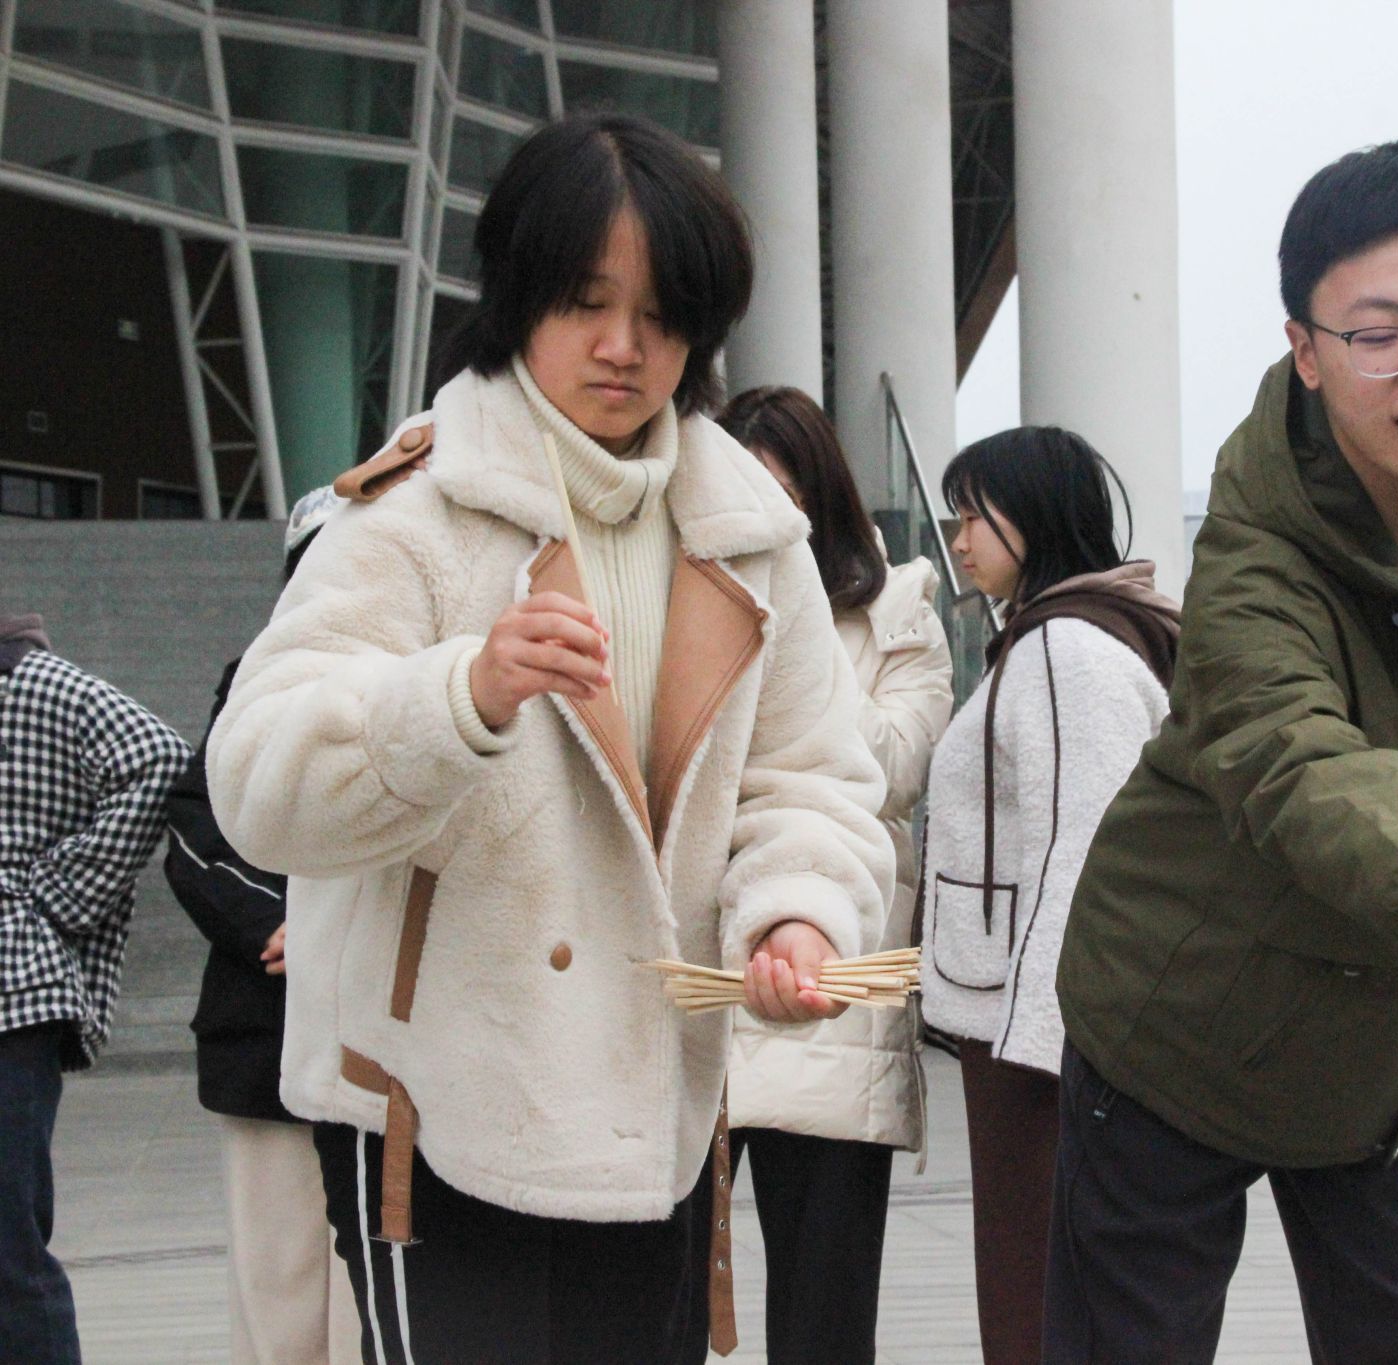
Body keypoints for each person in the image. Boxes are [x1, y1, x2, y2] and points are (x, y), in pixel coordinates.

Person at [204, 113, 892, 1364]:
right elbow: (256, 780)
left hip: (651, 1120)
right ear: (519, 295)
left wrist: (795, 917)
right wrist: (458, 697)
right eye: (586, 302)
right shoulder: (413, 511)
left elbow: (810, 779)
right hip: (434, 1111)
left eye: (662, 314)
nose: (624, 347)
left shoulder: (753, 534)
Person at [1046, 142, 1398, 1364]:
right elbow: (1290, 750)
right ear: (1304, 351)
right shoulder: (1254, 549)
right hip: (1180, 1024)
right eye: (1378, 334)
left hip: (1389, 1044)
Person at [676, 385, 953, 1365]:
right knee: (656, 1306)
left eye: (784, 497)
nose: (763, 519)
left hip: (830, 991)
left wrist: (790, 638)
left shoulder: (901, 614)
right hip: (702, 984)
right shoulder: (682, 597)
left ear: (821, 498)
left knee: (824, 1319)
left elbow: (889, 769)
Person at [918, 427, 1179, 1365]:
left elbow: (1083, 850)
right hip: (1029, 1025)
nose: (958, 537)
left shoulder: (1068, 649)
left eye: (974, 514)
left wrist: (1044, 1051)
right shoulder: (1058, 634)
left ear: (1035, 514)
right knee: (1037, 1290)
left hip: (1037, 1041)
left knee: (1034, 1297)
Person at [163, 489, 358, 1365]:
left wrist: (335, 932)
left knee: (377, 1296)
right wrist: (276, 924)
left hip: (388, 1038)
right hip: (265, 1030)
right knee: (278, 1286)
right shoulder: (252, 681)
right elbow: (196, 827)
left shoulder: (437, 684)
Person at [0, 614, 189, 1364]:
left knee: (6, 1249)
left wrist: (58, 894)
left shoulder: (29, 678)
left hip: (11, 994)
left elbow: (160, 759)